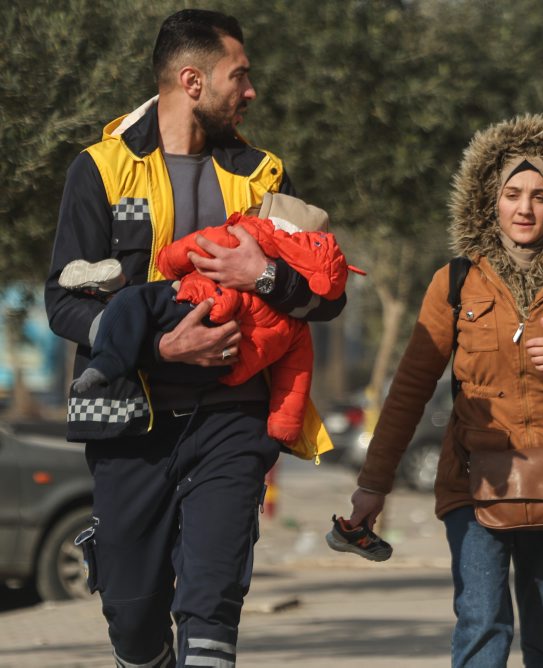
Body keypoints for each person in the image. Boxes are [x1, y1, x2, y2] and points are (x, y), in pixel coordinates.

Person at [44, 10, 344, 667]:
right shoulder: (98, 169)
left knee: (212, 604)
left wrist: (262, 274)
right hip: (127, 423)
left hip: (233, 420)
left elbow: (325, 295)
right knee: (132, 617)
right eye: (240, 76)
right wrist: (160, 350)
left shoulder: (264, 173)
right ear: (192, 80)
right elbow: (62, 302)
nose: (251, 91)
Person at [346, 113, 543, 667]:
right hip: (473, 480)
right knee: (482, 629)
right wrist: (374, 484)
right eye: (513, 193)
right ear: (491, 199)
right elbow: (411, 389)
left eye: (540, 195)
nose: (525, 208)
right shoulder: (456, 281)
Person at [61, 193, 356, 444]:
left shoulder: (252, 206)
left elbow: (186, 250)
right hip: (221, 367)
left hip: (189, 311)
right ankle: (117, 298)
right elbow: (295, 375)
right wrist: (284, 427)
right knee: (138, 312)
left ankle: (113, 315)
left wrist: (262, 276)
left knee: (134, 303)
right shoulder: (295, 326)